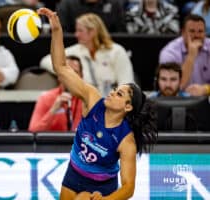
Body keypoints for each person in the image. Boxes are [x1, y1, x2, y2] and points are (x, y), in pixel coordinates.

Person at [37, 7, 158, 199]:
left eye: (118, 94)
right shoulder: (93, 99)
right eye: (114, 89)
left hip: (103, 186)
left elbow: (128, 187)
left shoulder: (126, 141)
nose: (111, 93)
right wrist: (57, 31)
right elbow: (61, 67)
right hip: (74, 173)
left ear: (128, 107)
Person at [40, 12, 134, 97]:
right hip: (84, 102)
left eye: (80, 31)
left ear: (93, 32)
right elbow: (45, 61)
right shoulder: (76, 50)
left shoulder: (116, 51)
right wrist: (67, 68)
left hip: (111, 102)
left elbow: (127, 84)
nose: (76, 35)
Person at [159, 14, 210, 96]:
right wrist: (191, 55)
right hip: (178, 99)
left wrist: (206, 89)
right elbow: (174, 87)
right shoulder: (169, 52)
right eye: (192, 31)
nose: (196, 35)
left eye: (200, 31)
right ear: (183, 33)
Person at [28, 56, 83, 132]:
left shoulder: (89, 99)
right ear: (59, 76)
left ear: (81, 76)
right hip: (55, 143)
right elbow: (33, 130)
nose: (71, 76)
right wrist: (53, 110)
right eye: (66, 72)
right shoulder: (46, 98)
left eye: (75, 72)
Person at [56, 0, 126, 33]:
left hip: (108, 48)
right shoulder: (66, 4)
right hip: (75, 48)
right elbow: (62, 32)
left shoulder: (114, 4)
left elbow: (121, 32)